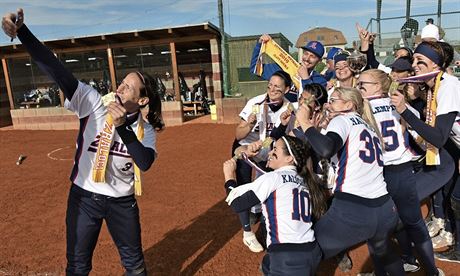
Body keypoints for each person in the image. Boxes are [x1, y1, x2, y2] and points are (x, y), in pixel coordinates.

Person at [2, 9, 164, 275]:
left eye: (129, 88)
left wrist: (123, 127)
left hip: (121, 203)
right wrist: (23, 33)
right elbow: (55, 69)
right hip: (84, 197)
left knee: (135, 267)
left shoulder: (145, 130)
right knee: (78, 267)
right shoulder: (93, 103)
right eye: (121, 83)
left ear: (142, 100)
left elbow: (144, 163)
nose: (120, 88)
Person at [295, 87, 406, 276]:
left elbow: (326, 149)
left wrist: (305, 123)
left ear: (349, 104)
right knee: (385, 253)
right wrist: (313, 130)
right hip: (385, 209)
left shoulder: (342, 120)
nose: (329, 104)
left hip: (354, 210)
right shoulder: (369, 126)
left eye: (334, 100)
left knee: (303, 253)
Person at [358, 69, 440, 275]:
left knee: (376, 228)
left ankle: (382, 271)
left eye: (362, 85)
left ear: (378, 86)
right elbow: (415, 129)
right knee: (413, 222)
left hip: (377, 175)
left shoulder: (360, 110)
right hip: (403, 170)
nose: (358, 88)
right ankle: (429, 269)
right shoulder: (401, 105)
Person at [391, 41, 459, 269]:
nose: (415, 65)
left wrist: (403, 111)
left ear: (437, 66)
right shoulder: (432, 86)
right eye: (414, 60)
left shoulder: (448, 85)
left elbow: (438, 137)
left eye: (421, 61)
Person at [223, 135, 326, 275]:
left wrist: (229, 177)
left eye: (275, 151)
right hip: (311, 252)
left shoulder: (273, 178)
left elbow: (237, 204)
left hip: (287, 257)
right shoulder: (304, 180)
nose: (270, 153)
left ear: (289, 158)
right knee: (267, 264)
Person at [233, 70, 294, 252]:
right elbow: (238, 135)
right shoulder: (255, 102)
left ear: (287, 89)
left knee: (268, 183)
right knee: (243, 187)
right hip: (247, 147)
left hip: (268, 149)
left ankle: (263, 215)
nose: (272, 89)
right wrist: (249, 125)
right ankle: (247, 230)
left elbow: (284, 136)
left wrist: (268, 147)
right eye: (270, 84)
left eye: (277, 86)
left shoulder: (289, 108)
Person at [249, 34, 327, 98]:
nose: (307, 58)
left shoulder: (320, 81)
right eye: (306, 53)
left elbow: (313, 100)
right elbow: (255, 69)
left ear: (319, 61)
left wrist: (305, 78)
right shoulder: (286, 66)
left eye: (312, 56)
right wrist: (260, 45)